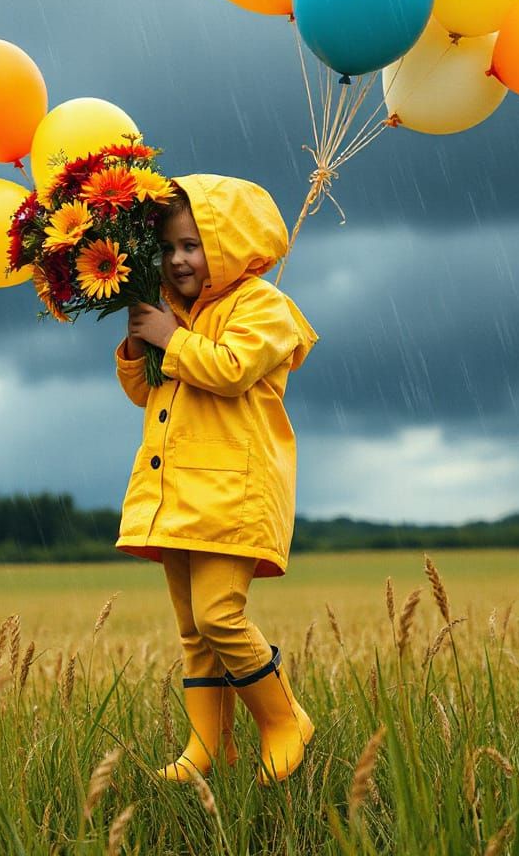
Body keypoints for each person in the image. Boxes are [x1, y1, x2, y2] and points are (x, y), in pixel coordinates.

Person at [114, 173, 318, 785]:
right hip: (176, 491)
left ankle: (284, 721)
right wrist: (137, 348)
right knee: (192, 631)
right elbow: (145, 392)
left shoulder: (264, 307)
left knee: (219, 616)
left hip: (235, 492)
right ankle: (208, 745)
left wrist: (171, 339)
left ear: (230, 244)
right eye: (169, 247)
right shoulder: (172, 311)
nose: (178, 259)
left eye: (193, 245)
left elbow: (230, 371)